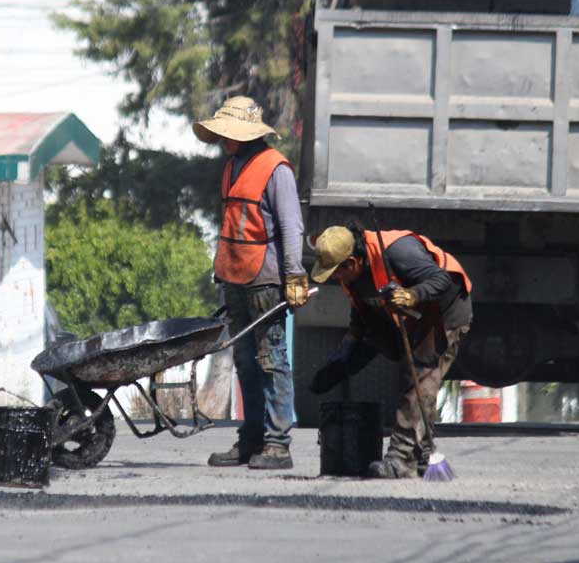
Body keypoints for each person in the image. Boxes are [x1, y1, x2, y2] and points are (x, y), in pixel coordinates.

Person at [194, 96, 308, 470]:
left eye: (230, 134)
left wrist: (294, 275)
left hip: (266, 279)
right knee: (245, 361)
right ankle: (252, 438)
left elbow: (291, 227)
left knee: (271, 360)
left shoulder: (276, 169)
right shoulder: (231, 166)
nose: (225, 140)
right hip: (234, 277)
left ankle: (278, 445)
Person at [308, 225, 472, 479]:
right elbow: (363, 313)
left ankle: (401, 458)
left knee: (419, 376)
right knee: (409, 374)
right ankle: (423, 454)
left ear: (352, 261)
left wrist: (412, 295)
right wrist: (345, 355)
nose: (336, 279)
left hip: (444, 312)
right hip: (411, 316)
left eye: (337, 272)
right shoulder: (356, 275)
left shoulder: (398, 252)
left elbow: (442, 280)